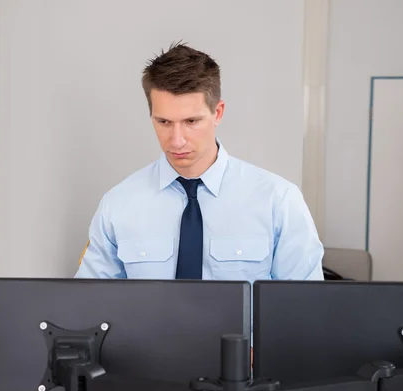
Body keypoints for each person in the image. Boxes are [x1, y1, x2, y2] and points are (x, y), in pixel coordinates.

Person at [74, 42, 324, 283]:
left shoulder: (278, 201)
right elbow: (88, 305)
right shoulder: (118, 205)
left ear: (218, 113)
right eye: (164, 122)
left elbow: (304, 310)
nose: (177, 140)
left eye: (191, 121)